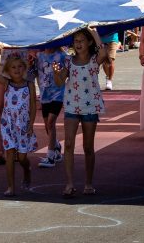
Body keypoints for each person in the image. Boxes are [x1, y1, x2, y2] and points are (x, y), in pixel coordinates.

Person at [52, 27, 107, 198]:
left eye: (82, 40)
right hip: (71, 106)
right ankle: (69, 184)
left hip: (90, 107)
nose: (78, 44)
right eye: (76, 41)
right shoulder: (68, 61)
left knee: (88, 147)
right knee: (68, 144)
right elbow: (60, 82)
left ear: (89, 42)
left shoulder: (93, 60)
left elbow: (104, 54)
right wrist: (56, 72)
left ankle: (88, 183)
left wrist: (95, 33)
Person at [0, 45, 37, 196]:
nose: (16, 70)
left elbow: (32, 106)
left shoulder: (29, 84)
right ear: (9, 70)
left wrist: (30, 124)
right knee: (10, 154)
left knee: (22, 157)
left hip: (23, 124)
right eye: (13, 67)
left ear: (24, 68)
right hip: (8, 124)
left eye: (19, 67)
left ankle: (27, 170)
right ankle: (11, 186)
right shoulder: (7, 83)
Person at [35, 46, 68, 168]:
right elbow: (36, 73)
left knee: (50, 123)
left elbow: (65, 73)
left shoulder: (62, 56)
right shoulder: (39, 56)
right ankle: (56, 146)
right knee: (47, 126)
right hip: (44, 95)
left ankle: (50, 156)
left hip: (58, 94)